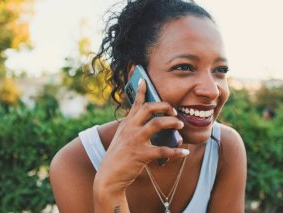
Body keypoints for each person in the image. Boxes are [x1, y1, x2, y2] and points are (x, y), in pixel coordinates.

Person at [49, 0, 247, 212]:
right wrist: (110, 189)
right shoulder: (76, 163)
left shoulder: (224, 149)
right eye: (184, 67)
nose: (212, 91)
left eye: (220, 70)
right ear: (136, 76)